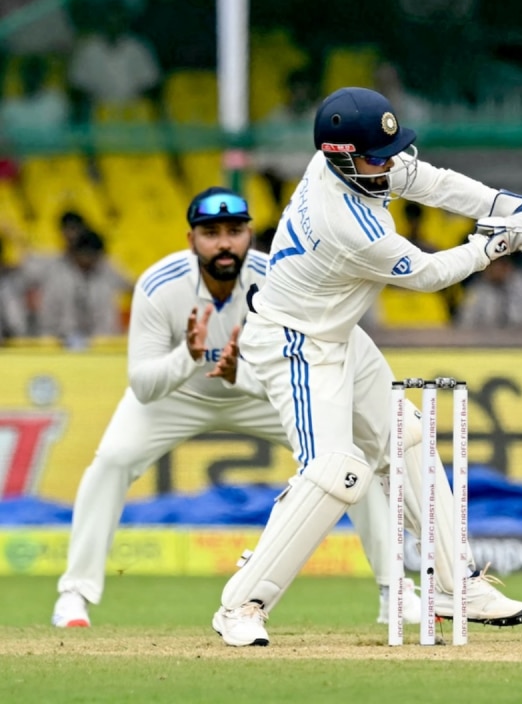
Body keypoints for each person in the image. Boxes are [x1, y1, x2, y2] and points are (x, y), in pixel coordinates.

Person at [210, 86, 522, 646]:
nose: (388, 165)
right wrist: (503, 242)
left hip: (338, 333)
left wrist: (519, 209)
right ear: (340, 156)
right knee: (338, 473)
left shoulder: (363, 164)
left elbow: (436, 183)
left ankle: (455, 586)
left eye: (390, 152)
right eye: (376, 157)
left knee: (407, 436)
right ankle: (241, 605)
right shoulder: (346, 223)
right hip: (294, 341)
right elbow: (429, 275)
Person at [49, 188, 417, 627]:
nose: (224, 243)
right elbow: (144, 387)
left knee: (344, 461)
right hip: (178, 394)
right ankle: (74, 594)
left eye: (235, 231)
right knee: (110, 462)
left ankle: (397, 592)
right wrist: (187, 356)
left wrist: (238, 375)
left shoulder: (281, 279)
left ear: (248, 236)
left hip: (257, 393)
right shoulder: (158, 285)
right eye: (211, 233)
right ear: (191, 240)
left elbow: (305, 372)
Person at [34, 226, 132, 346]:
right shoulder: (58, 274)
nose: (88, 260)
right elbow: (49, 310)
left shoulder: (108, 269)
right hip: (62, 339)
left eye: (93, 256)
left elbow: (133, 286)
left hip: (103, 340)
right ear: (76, 254)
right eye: (85, 255)